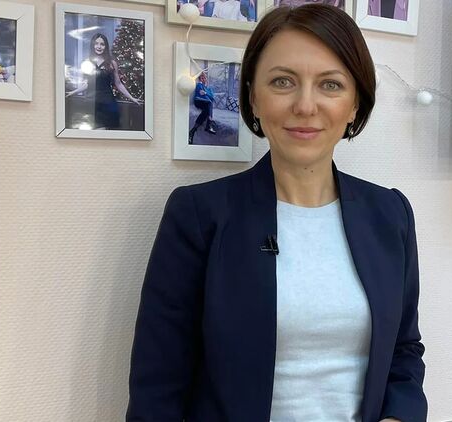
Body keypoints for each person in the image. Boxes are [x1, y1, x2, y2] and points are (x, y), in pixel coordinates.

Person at [127, 4, 427, 422]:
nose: (305, 105)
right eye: (283, 81)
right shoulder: (198, 216)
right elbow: (157, 387)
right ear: (254, 96)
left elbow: (404, 350)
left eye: (330, 85)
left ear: (355, 104)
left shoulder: (390, 214)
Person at [66, 33, 140, 130]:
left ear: (106, 46)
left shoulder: (112, 63)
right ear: (93, 45)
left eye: (102, 44)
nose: (99, 46)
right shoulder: (87, 62)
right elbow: (88, 84)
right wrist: (73, 92)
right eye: (96, 44)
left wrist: (132, 98)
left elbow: (118, 84)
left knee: (102, 133)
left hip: (107, 103)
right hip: (91, 103)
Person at [188, 72, 217, 144]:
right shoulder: (199, 85)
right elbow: (201, 93)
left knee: (206, 110)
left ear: (206, 79)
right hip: (198, 101)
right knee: (209, 103)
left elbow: (212, 96)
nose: (203, 79)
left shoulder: (209, 88)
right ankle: (209, 124)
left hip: (206, 103)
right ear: (200, 79)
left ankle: (192, 131)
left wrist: (206, 93)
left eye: (204, 78)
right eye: (201, 78)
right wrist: (206, 94)